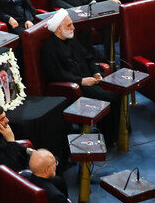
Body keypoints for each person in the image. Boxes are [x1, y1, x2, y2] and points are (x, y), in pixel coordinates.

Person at [41, 10, 120, 147]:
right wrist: (82, 81)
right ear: (60, 28)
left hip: (91, 79)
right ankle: (110, 137)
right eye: (70, 25)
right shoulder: (50, 48)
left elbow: (88, 57)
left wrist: (96, 73)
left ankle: (116, 133)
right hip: (77, 87)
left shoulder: (71, 40)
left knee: (118, 90)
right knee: (111, 97)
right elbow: (57, 74)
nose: (73, 28)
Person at [0, 103, 34, 192]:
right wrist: (11, 141)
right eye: (2, 119)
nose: (7, 120)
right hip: (11, 181)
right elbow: (12, 169)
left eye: (5, 117)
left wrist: (30, 151)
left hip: (17, 164)